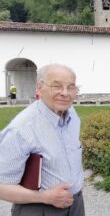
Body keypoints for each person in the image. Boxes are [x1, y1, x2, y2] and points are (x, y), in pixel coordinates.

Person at [0, 64, 85, 216]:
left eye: (71, 87)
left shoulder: (72, 114)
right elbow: (1, 187)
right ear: (39, 89)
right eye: (56, 86)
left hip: (76, 205)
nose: (65, 93)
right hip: (40, 209)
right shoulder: (21, 129)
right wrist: (45, 197)